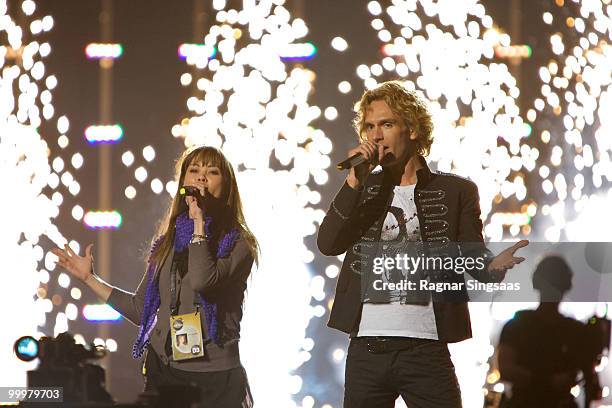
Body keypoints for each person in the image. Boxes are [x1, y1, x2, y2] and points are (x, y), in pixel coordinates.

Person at [317, 80, 528, 408]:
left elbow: (475, 261)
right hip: (367, 348)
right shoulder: (364, 189)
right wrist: (354, 182)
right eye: (370, 127)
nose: (376, 135)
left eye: (386, 124)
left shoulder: (456, 191)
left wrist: (494, 268)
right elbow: (328, 243)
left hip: (425, 347)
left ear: (412, 129)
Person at [52, 146, 258, 408]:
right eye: (193, 170)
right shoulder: (167, 244)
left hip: (215, 381)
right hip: (166, 373)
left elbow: (203, 280)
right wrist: (89, 279)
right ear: (184, 182)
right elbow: (142, 310)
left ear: (226, 185)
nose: (201, 177)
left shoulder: (239, 243)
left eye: (212, 172)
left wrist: (199, 224)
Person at [497, 255, 602, 408]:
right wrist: (548, 381)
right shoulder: (573, 330)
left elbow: (506, 369)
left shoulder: (518, 324)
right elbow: (506, 370)